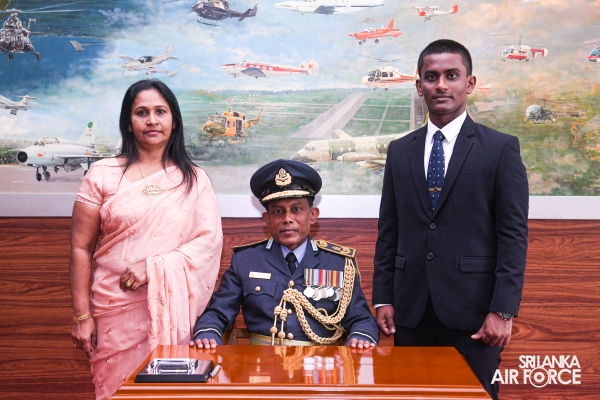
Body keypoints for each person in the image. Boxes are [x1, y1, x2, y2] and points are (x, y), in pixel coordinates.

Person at [373, 39, 528, 400]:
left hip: (474, 316)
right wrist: (382, 297)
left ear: (469, 83)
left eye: (451, 75)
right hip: (410, 312)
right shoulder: (399, 151)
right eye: (431, 77)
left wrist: (503, 311)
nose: (440, 85)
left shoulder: (500, 149)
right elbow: (389, 230)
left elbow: (513, 237)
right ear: (419, 86)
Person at [70, 79, 223, 399]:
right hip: (113, 309)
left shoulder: (195, 180)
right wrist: (82, 316)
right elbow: (81, 248)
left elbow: (207, 244)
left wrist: (153, 267)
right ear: (128, 122)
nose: (152, 120)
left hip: (171, 310)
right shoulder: (102, 173)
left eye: (160, 111)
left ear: (174, 121)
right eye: (142, 112)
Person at [191, 159, 379, 349]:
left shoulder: (337, 263)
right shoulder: (246, 260)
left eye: (296, 210)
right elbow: (218, 313)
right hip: (262, 362)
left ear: (313, 215)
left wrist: (361, 336)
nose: (287, 219)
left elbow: (362, 319)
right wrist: (208, 332)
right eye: (278, 211)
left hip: (320, 363)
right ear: (267, 218)